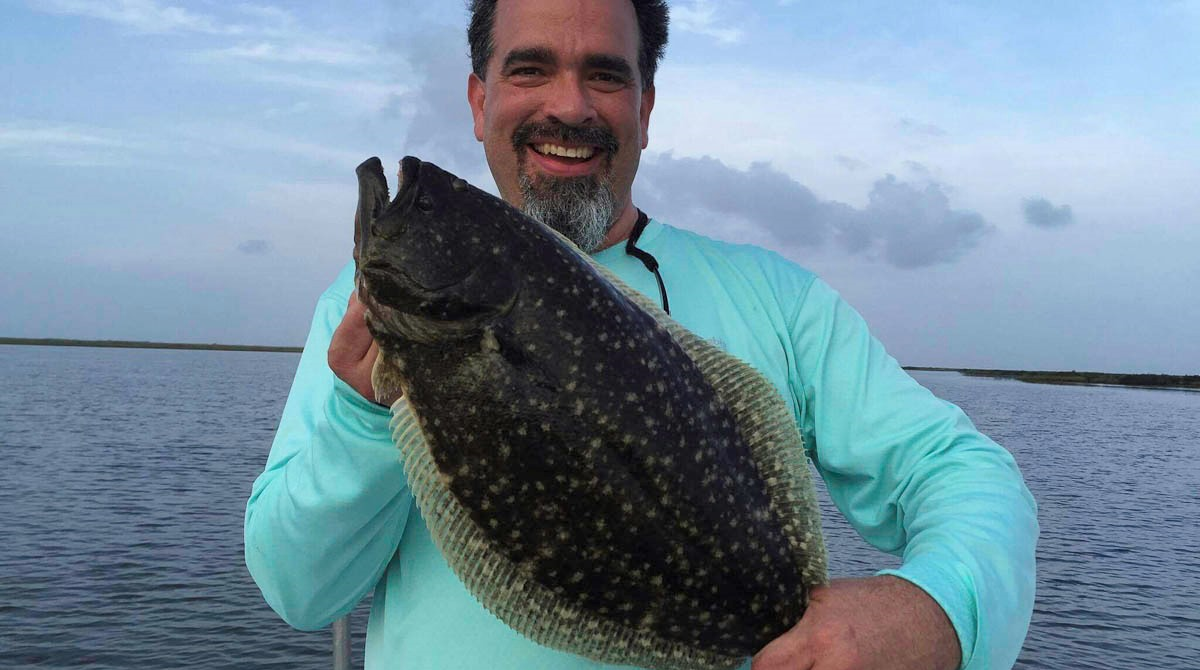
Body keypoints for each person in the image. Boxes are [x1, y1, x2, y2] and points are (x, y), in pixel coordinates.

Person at [244, 1, 1039, 668]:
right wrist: (362, 412)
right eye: (530, 69)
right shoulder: (353, 320)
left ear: (645, 109)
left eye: (605, 74)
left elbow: (963, 474)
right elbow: (301, 590)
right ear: (479, 100)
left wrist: (938, 606)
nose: (571, 106)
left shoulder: (779, 300)